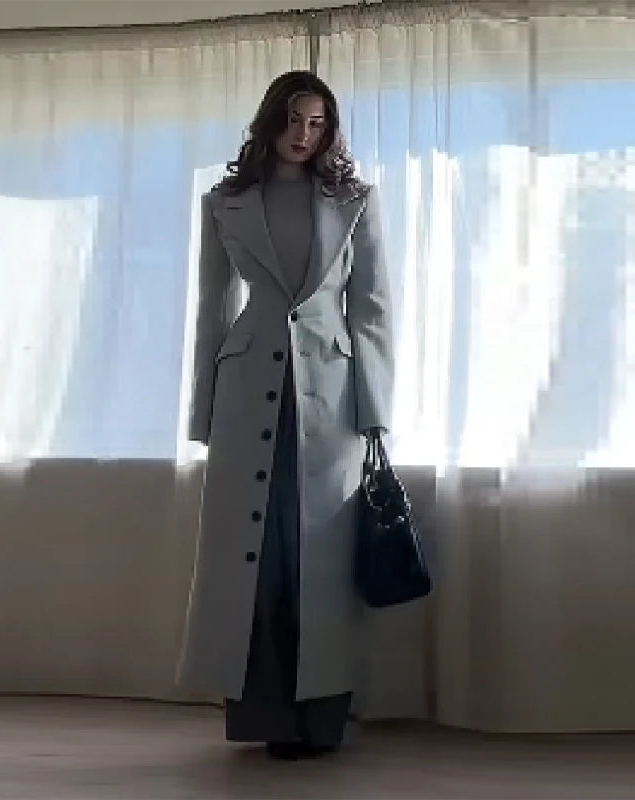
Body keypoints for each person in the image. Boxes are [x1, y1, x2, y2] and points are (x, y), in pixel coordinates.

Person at [175, 70, 394, 760]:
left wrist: (375, 412)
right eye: (294, 120)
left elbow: (372, 310)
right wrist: (203, 413)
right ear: (270, 121)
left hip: (331, 396)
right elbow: (212, 310)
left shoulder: (354, 201)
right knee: (255, 558)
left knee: (318, 558)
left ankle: (320, 720)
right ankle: (265, 717)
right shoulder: (226, 202)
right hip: (246, 392)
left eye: (317, 123)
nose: (304, 135)